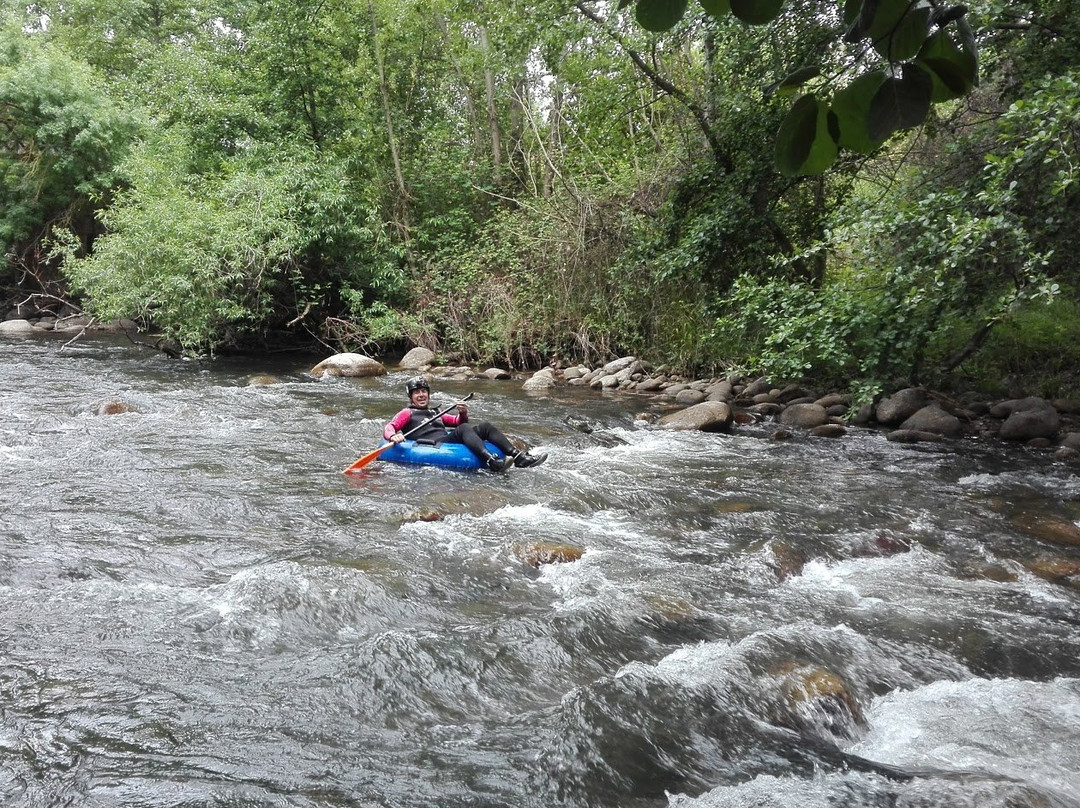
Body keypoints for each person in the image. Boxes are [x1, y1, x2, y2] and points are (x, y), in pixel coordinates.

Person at [383, 376, 548, 472]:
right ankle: (491, 460)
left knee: (484, 426)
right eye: (417, 392)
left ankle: (518, 456)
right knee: (463, 429)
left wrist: (462, 412)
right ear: (411, 396)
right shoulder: (407, 413)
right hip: (432, 444)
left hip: (445, 441)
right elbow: (389, 427)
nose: (421, 395)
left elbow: (457, 422)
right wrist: (393, 435)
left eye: (424, 391)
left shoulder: (435, 412)